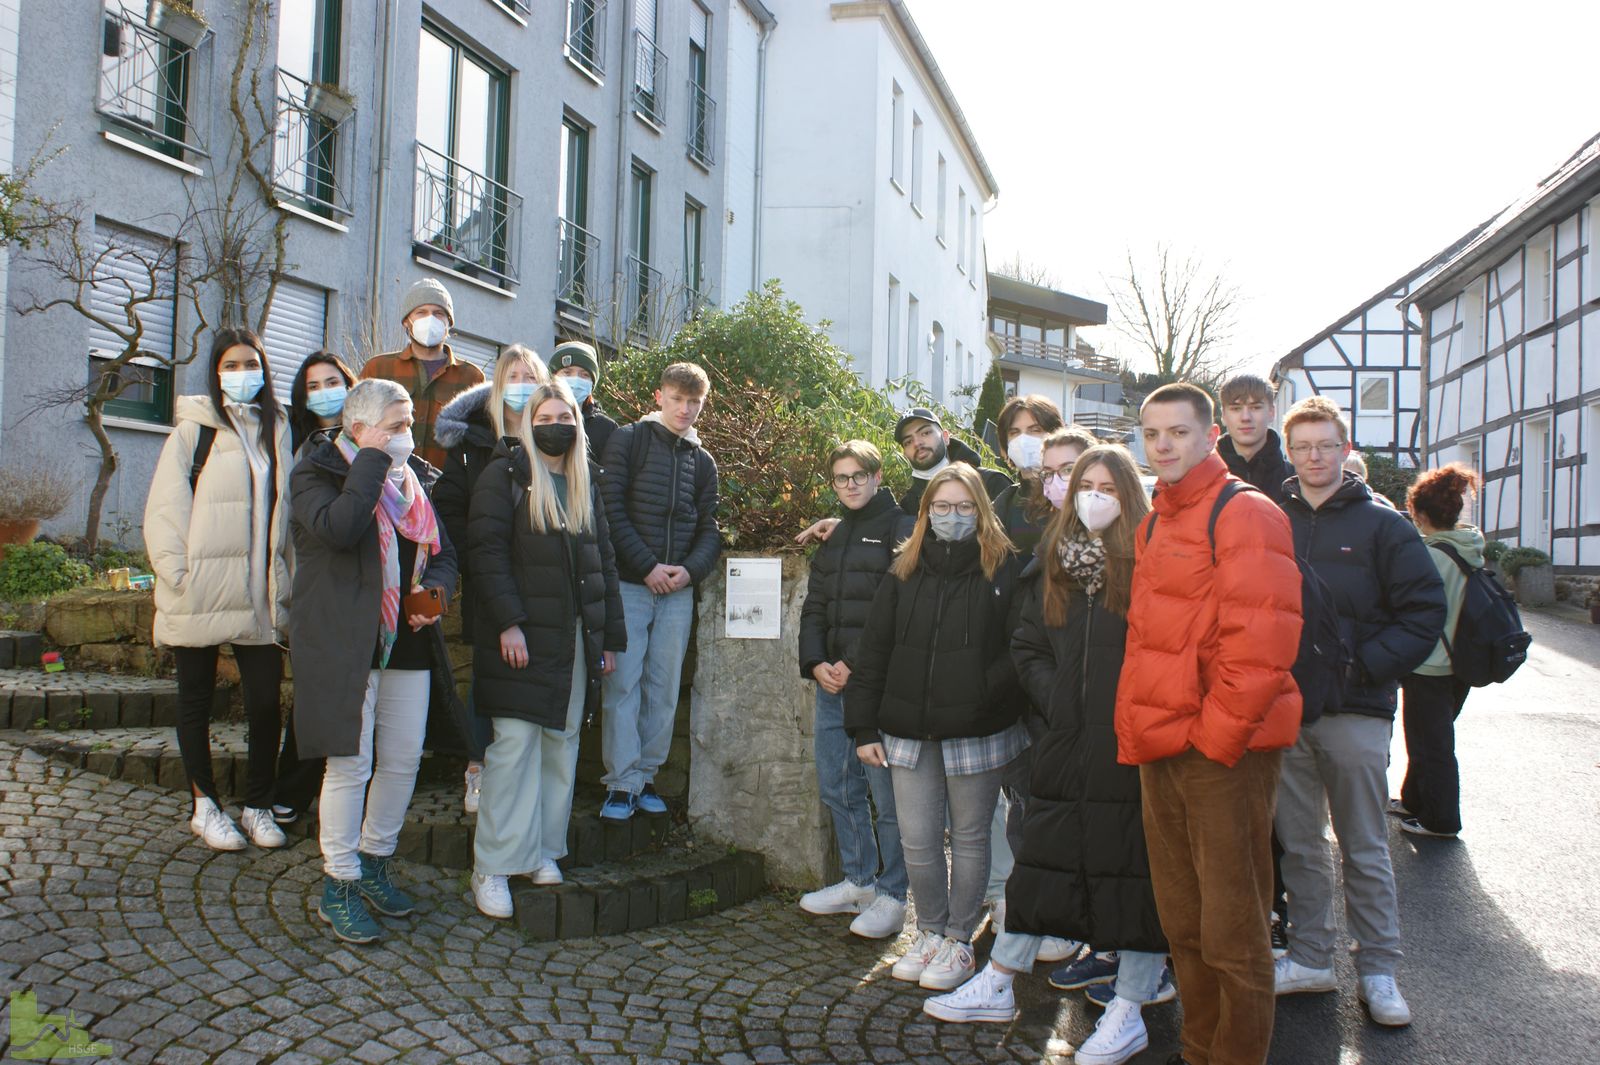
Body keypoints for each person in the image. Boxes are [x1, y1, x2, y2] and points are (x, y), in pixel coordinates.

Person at [925, 447, 1172, 1057]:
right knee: (1040, 862)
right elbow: (1027, 643)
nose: (1092, 495)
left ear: (1131, 495)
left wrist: (1131, 709)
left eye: (1107, 486)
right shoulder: (1052, 561)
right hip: (1062, 740)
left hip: (1130, 743)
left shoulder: (1154, 563)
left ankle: (1131, 1006)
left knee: (1133, 876)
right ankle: (1000, 980)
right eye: (1084, 483)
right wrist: (1055, 699)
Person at [1116, 381, 1303, 1065]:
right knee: (1184, 924)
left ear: (1210, 437)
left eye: (1179, 432)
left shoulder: (1244, 511)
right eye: (1153, 433)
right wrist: (1145, 734)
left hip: (1225, 749)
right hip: (1163, 746)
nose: (1163, 444)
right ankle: (1199, 1050)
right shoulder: (1154, 519)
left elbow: (1263, 645)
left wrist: (1215, 741)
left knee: (1233, 930)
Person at [1275, 396, 1445, 1028]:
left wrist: (1364, 666)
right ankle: (1311, 956)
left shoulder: (1384, 525)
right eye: (1303, 446)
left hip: (1355, 710)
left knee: (1364, 845)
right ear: (1288, 451)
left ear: (1347, 451)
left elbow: (1424, 609)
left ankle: (1379, 970)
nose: (1315, 456)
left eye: (1326, 445)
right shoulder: (1271, 518)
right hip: (1287, 708)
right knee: (1299, 843)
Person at [288, 379, 460, 944]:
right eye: (396, 425)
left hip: (406, 643)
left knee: (403, 759)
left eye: (410, 424)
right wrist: (368, 460)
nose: (409, 436)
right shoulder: (317, 473)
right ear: (358, 429)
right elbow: (339, 529)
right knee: (349, 765)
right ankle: (338, 881)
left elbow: (444, 556)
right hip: (346, 644)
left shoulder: (415, 483)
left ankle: (375, 861)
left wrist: (434, 595)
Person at [845, 464, 1028, 994]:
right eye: (941, 507)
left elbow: (1020, 648)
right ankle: (927, 930)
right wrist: (862, 726)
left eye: (964, 506)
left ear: (982, 509)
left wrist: (980, 693)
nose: (952, 516)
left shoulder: (1005, 567)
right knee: (919, 839)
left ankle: (958, 939)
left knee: (970, 838)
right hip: (906, 728)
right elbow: (874, 650)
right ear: (925, 513)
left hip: (977, 728)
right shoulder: (903, 568)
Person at [465, 381, 625, 918]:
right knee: (511, 751)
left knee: (561, 748)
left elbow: (604, 562)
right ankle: (492, 864)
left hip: (576, 640)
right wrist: (509, 623)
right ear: (528, 422)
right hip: (522, 638)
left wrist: (609, 641)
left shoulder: (586, 483)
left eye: (566, 415)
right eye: (546, 414)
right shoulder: (503, 476)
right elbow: (485, 553)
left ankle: (542, 850)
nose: (556, 423)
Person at [144, 328, 294, 852]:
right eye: (231, 365)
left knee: (264, 705)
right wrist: (178, 578)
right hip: (201, 592)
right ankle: (204, 805)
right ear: (215, 372)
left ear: (265, 369)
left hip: (258, 598)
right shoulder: (195, 430)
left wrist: (285, 583)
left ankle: (256, 805)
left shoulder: (277, 428)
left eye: (250, 363)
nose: (242, 373)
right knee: (196, 701)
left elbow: (286, 513)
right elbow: (164, 511)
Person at [796, 441, 913, 939]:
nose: (850, 485)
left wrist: (851, 663)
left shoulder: (901, 526)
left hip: (880, 685)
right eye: (841, 478)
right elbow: (815, 604)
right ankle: (859, 881)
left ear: (877, 475)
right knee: (837, 784)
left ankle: (892, 895)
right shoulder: (835, 535)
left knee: (888, 800)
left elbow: (897, 607)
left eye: (858, 476)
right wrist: (816, 661)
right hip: (831, 683)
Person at [597, 362, 721, 820]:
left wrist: (689, 571)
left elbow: (710, 527)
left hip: (677, 591)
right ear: (659, 397)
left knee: (664, 688)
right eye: (678, 399)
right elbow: (609, 511)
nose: (686, 409)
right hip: (630, 585)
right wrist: (646, 566)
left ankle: (646, 776)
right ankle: (620, 783)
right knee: (623, 684)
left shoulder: (702, 460)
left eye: (695, 402)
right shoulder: (628, 440)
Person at [434, 346, 550, 813]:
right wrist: (476, 557)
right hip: (489, 578)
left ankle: (522, 774)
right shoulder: (472, 443)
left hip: (543, 581)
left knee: (535, 676)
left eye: (530, 375)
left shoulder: (555, 434)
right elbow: (448, 508)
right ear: (498, 384)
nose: (521, 383)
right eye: (513, 375)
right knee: (487, 676)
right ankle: (477, 767)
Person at [272, 350, 360, 827]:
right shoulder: (297, 446)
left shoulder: (366, 437)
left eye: (334, 380)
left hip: (363, 580)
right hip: (314, 580)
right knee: (313, 693)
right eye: (314, 385)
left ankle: (345, 794)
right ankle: (292, 788)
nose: (325, 391)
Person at [1395, 463, 1485, 839]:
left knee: (1431, 744)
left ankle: (1441, 819)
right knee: (1431, 736)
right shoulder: (1469, 544)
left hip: (1432, 662)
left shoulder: (1430, 556)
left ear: (1418, 512)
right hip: (1462, 659)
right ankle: (1414, 800)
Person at [360, 277, 485, 469]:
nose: (430, 319)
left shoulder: (471, 378)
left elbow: (478, 441)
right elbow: (357, 427)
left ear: (448, 323)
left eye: (438, 313)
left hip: (444, 488)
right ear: (407, 322)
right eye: (421, 312)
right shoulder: (377, 369)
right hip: (385, 482)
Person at [894, 406, 1012, 514]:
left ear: (945, 437)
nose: (917, 443)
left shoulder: (991, 483)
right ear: (904, 453)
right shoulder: (908, 505)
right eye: (908, 441)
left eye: (925, 433)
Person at [988, 396, 1066, 553]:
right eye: (1014, 432)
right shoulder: (1002, 506)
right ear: (1005, 446)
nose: (1023, 440)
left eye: (1035, 430)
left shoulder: (1071, 497)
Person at [1216, 374, 1291, 505]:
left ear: (1271, 412)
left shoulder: (1294, 482)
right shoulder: (1202, 478)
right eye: (1236, 408)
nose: (1245, 417)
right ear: (1223, 415)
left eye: (1255, 407)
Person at [548, 340, 619, 461]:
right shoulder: (538, 420)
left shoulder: (606, 429)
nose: (575, 380)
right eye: (567, 372)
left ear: (592, 384)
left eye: (584, 374)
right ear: (553, 378)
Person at [287, 350, 358, 456]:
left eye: (332, 383)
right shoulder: (291, 436)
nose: (324, 391)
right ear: (303, 395)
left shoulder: (365, 431)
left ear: (348, 386)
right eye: (313, 387)